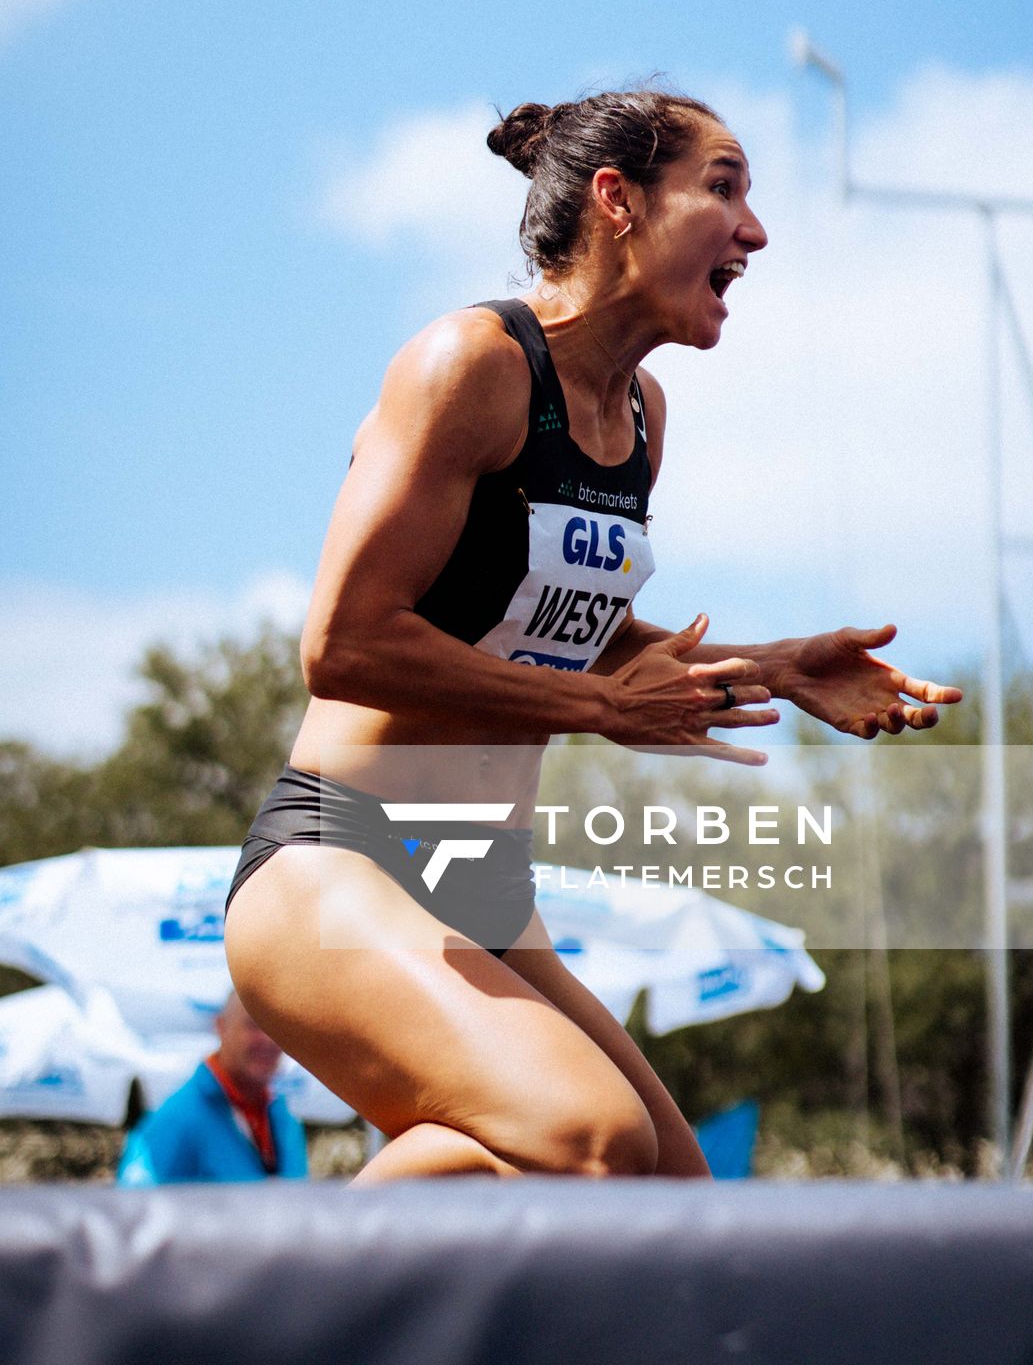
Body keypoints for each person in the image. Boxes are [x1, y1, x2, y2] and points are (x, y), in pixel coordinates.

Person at [224, 86, 961, 1181]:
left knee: (668, 1192)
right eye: (723, 189)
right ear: (615, 200)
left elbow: (561, 629)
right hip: (343, 857)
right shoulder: (469, 364)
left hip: (478, 877)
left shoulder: (641, 419)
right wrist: (598, 712)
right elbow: (344, 646)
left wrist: (771, 666)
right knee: (586, 1138)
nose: (754, 231)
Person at [117, 990, 307, 1185]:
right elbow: (132, 1207)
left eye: (279, 1027)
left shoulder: (285, 1117)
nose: (268, 1040)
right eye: (254, 1025)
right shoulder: (177, 1118)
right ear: (221, 1027)